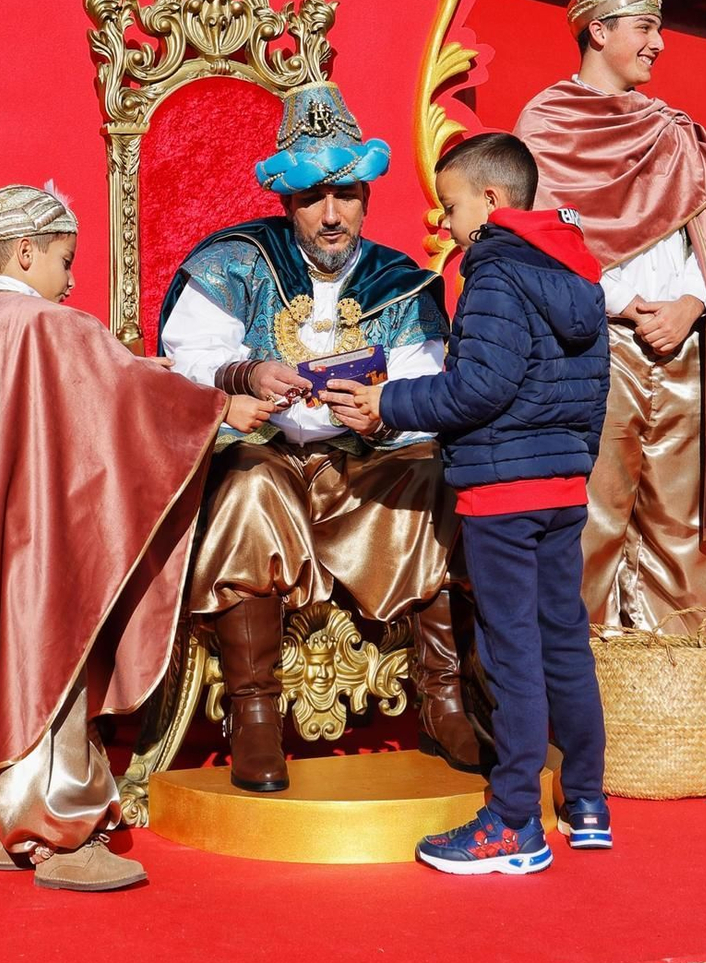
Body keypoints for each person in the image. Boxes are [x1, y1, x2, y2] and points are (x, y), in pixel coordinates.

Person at [0, 185, 269, 893]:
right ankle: (58, 831)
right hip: (41, 534)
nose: (71, 278)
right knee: (48, 652)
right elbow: (125, 394)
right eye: (65, 259)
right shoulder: (46, 325)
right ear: (28, 250)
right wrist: (222, 404)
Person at [159, 80, 479, 791]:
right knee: (247, 488)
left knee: (436, 477)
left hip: (366, 464)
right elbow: (184, 355)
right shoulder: (233, 259)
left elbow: (433, 372)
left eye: (347, 194)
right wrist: (247, 373)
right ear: (287, 202)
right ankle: (254, 714)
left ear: (367, 196)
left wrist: (381, 404)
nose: (332, 216)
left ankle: (444, 698)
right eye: (313, 199)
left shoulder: (401, 277)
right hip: (267, 455)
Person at [331, 132, 611, 877]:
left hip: (502, 492)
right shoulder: (576, 269)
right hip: (560, 486)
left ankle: (515, 819)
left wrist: (386, 402)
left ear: (491, 201)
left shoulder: (491, 270)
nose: (443, 222)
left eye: (451, 205)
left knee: (511, 652)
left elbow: (477, 388)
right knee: (564, 643)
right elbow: (592, 395)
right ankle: (585, 801)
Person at [514, 0, 706, 671]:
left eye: (658, 27)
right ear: (598, 30)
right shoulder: (545, 124)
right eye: (645, 27)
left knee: (689, 524)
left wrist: (693, 301)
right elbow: (533, 236)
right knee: (591, 519)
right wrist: (613, 300)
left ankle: (696, 683)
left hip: (685, 347)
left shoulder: (672, 128)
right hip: (595, 347)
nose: (659, 43)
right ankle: (585, 692)